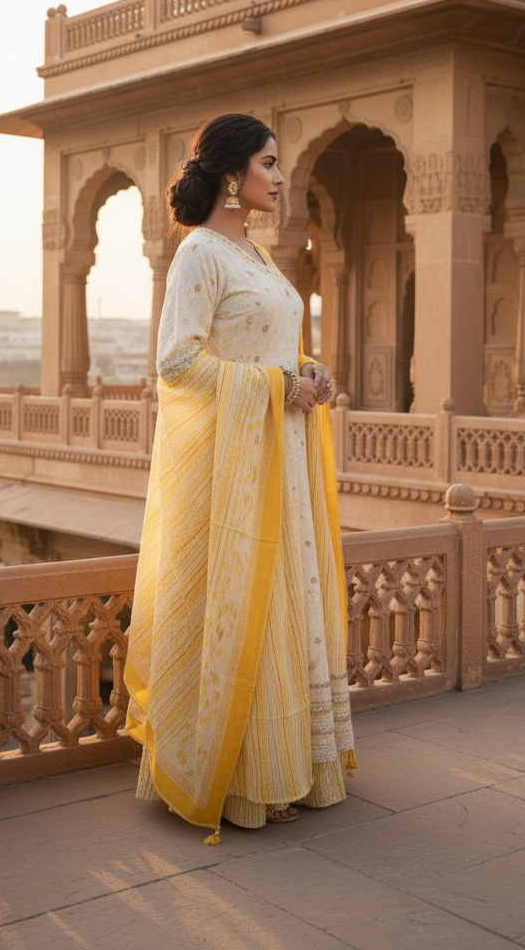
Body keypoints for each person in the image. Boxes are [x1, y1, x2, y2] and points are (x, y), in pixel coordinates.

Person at [123, 112, 356, 843]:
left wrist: (306, 373)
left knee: (288, 600)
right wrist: (273, 386)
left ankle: (291, 765)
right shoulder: (200, 255)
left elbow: (272, 344)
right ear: (233, 175)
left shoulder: (255, 255)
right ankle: (238, 776)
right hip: (235, 469)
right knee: (240, 602)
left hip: (281, 458)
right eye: (270, 163)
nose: (282, 178)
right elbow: (176, 363)